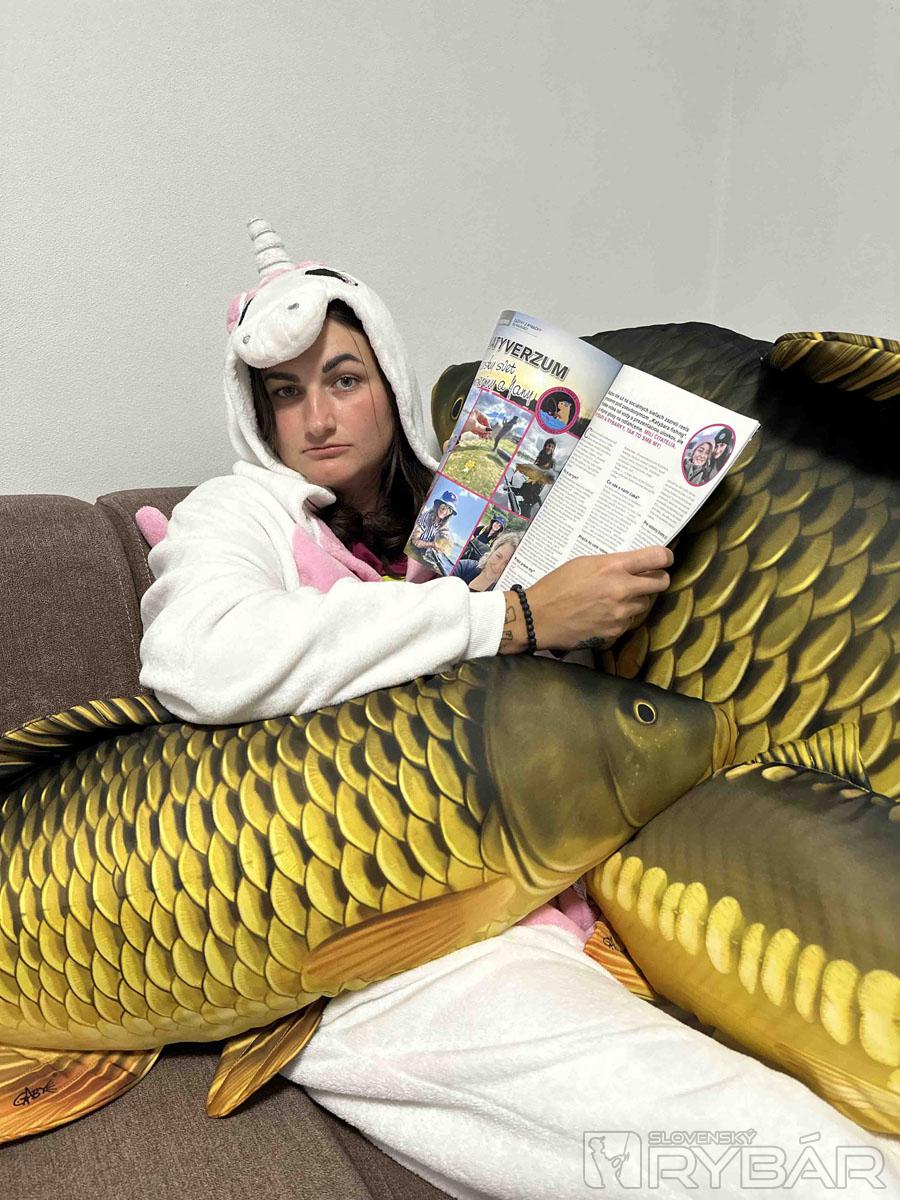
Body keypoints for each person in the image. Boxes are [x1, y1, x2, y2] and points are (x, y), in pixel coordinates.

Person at [139, 219, 748, 1197]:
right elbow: (197, 660)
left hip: (537, 879)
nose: (316, 417)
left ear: (390, 381)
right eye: (285, 393)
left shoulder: (468, 521)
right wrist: (504, 617)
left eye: (343, 379)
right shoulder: (234, 513)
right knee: (712, 1134)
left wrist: (563, 606)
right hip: (368, 923)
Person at [451, 530, 522, 589]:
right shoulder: (464, 567)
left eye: (507, 563)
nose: (497, 567)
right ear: (493, 551)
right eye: (498, 556)